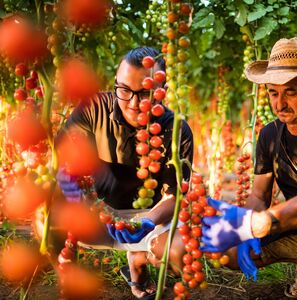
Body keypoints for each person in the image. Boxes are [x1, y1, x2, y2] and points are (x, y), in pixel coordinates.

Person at [200, 37, 297, 300]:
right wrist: (243, 228)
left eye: (290, 92)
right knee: (230, 254)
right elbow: (260, 195)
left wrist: (262, 222)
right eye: (273, 93)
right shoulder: (270, 135)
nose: (280, 103)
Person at [56, 47, 193, 299]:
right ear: (116, 83)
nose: (132, 102)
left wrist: (148, 221)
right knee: (46, 218)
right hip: (93, 212)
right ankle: (70, 267)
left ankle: (138, 261)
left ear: (161, 91)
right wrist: (86, 204)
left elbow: (176, 196)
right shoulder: (91, 109)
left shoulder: (176, 130)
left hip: (147, 218)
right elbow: (66, 166)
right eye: (124, 89)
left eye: (143, 93)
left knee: (178, 250)